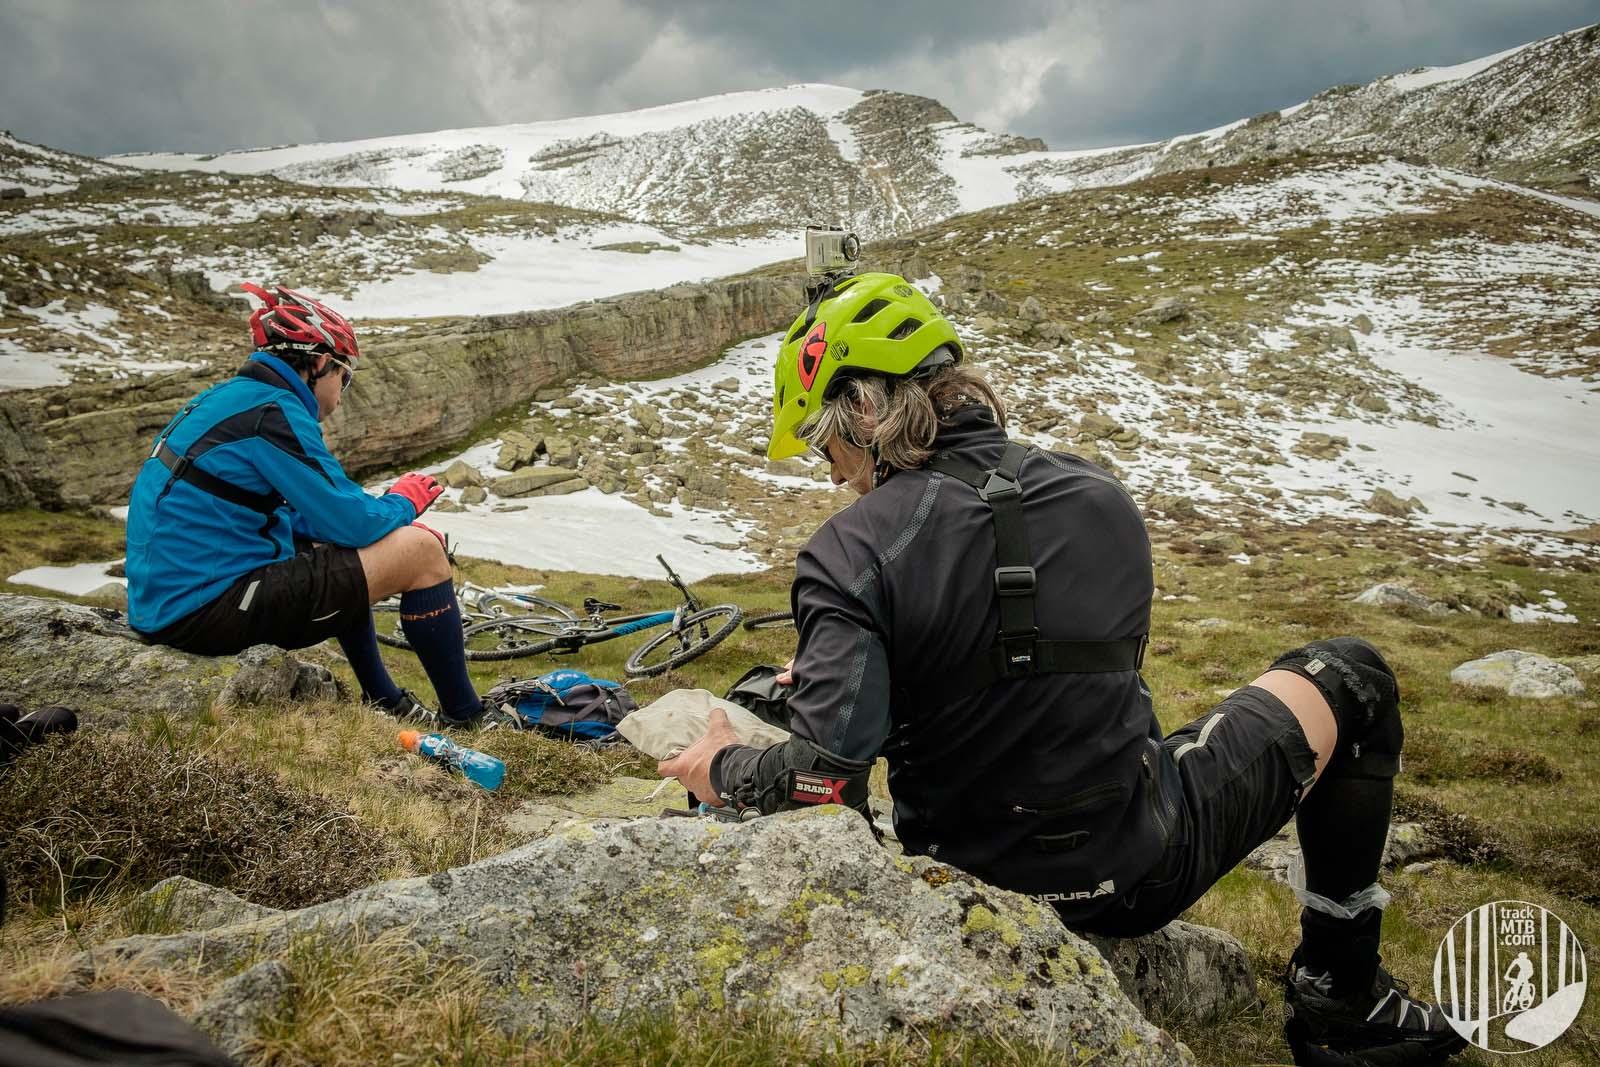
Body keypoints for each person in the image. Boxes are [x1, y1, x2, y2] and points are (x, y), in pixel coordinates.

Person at [660, 272, 1463, 1064]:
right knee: (1353, 674)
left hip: (967, 885)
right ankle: (1341, 988)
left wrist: (721, 762)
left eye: (825, 440)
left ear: (866, 409)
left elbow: (823, 782)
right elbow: (1074, 691)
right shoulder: (1098, 493)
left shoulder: (848, 551)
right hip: (1141, 869)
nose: (831, 470)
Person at [124, 283, 518, 730]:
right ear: (318, 363)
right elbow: (353, 524)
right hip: (207, 612)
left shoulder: (226, 399)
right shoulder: (273, 412)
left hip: (170, 604)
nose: (341, 390)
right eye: (343, 376)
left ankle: (383, 698)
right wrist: (405, 500)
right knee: (422, 551)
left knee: (331, 551)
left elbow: (299, 515)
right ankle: (467, 717)